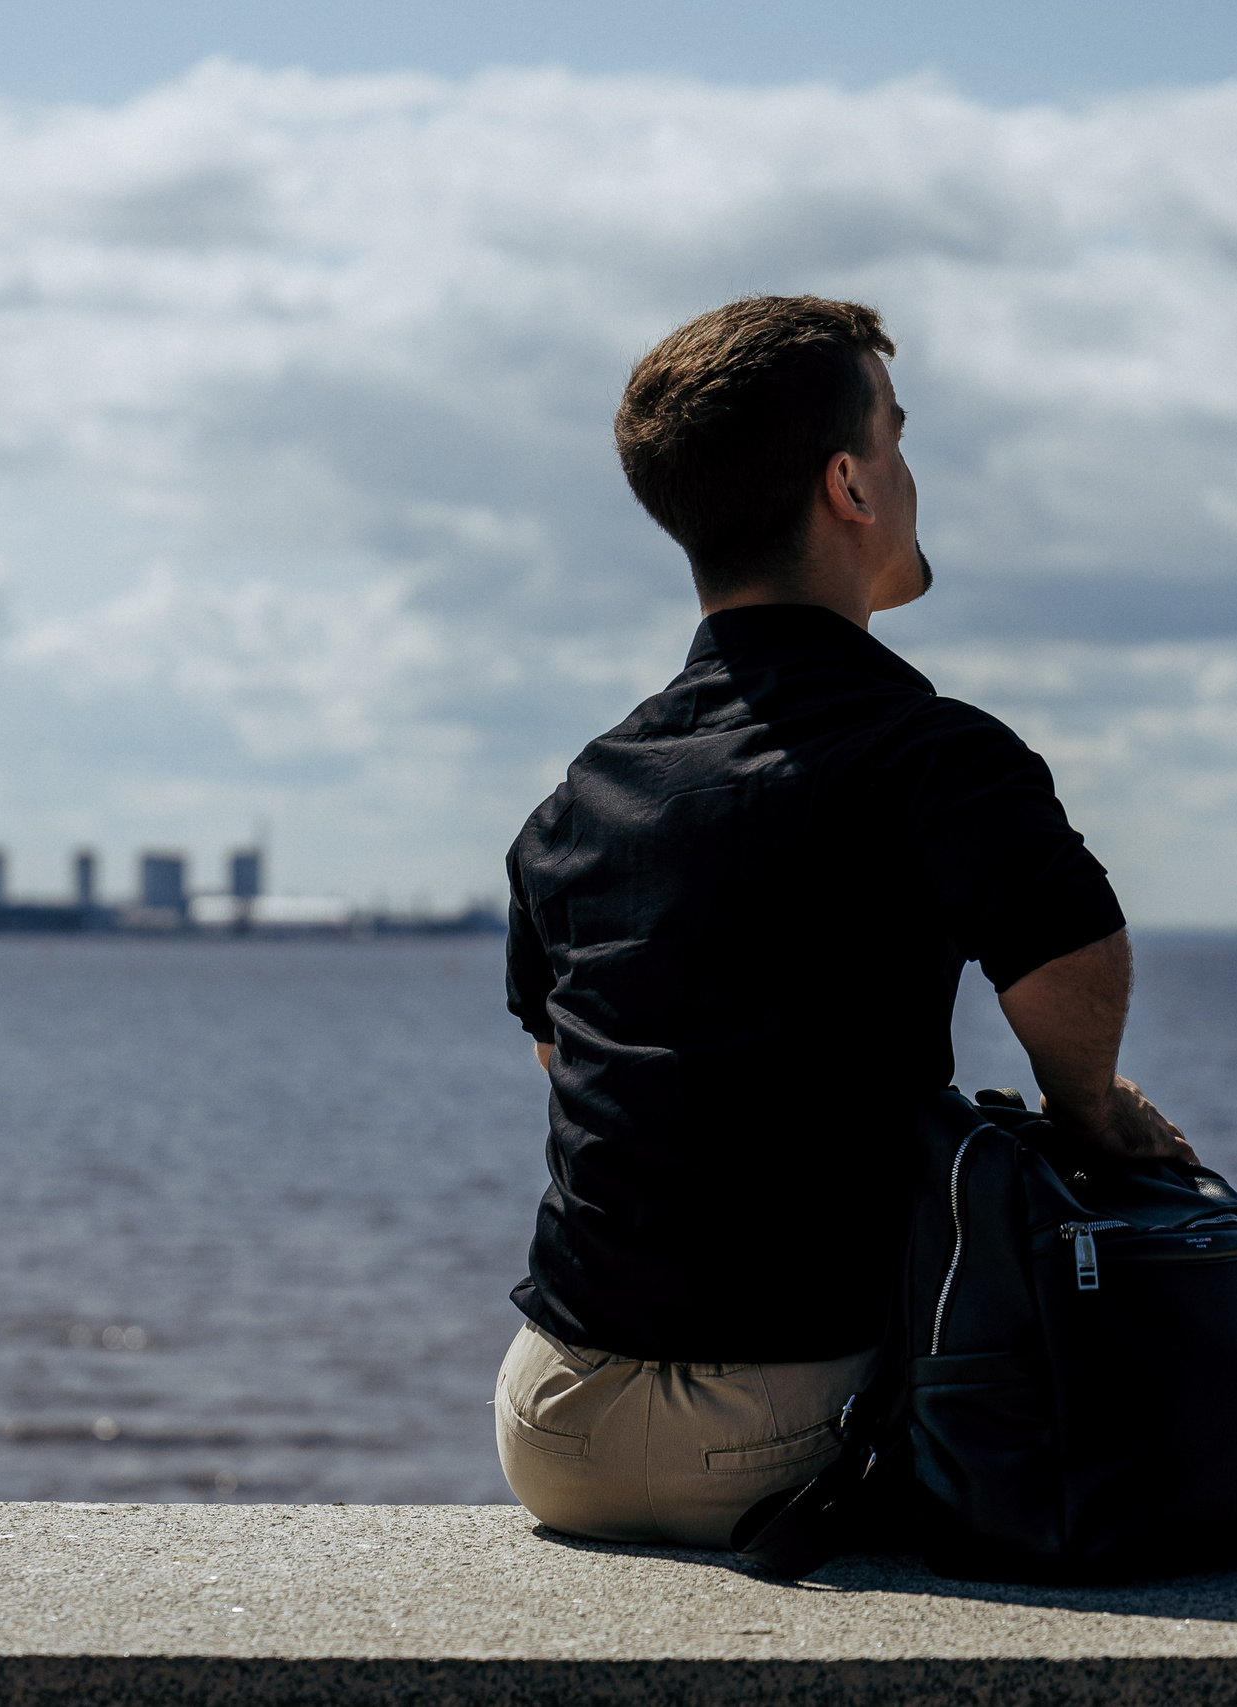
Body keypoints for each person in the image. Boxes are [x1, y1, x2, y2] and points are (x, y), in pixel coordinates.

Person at [495, 295, 1196, 1548]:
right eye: (896, 436)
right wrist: (1093, 1108)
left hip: (552, 1418)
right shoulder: (931, 755)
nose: (910, 470)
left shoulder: (581, 794)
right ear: (850, 489)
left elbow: (573, 1060)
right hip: (779, 1424)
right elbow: (1070, 952)